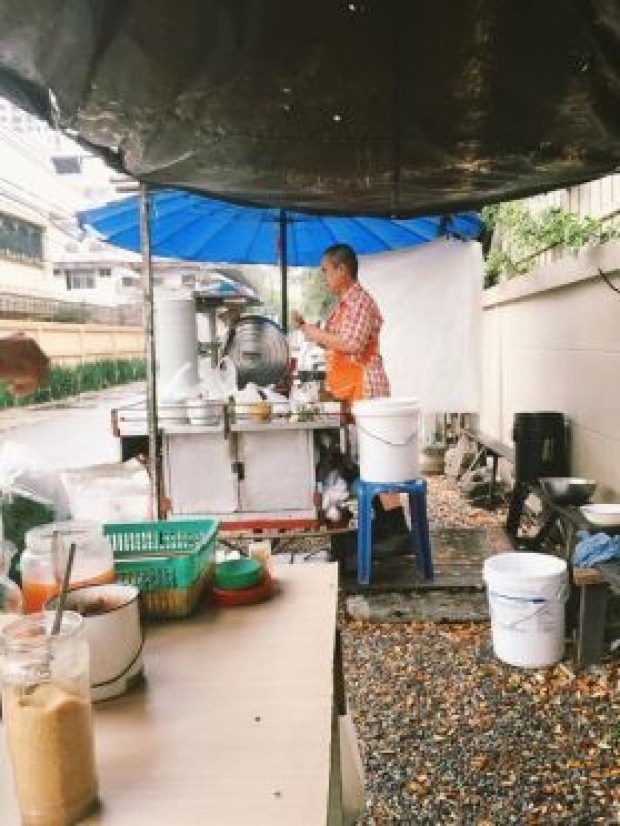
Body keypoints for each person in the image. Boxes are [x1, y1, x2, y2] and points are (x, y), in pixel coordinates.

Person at [293, 243, 407, 540]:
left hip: (367, 388)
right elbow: (333, 339)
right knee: (365, 459)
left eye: (326, 270)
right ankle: (384, 523)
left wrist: (316, 333)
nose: (324, 277)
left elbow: (353, 343)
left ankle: (396, 528)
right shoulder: (342, 305)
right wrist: (308, 329)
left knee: (378, 459)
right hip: (352, 390)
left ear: (343, 270)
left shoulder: (359, 302)